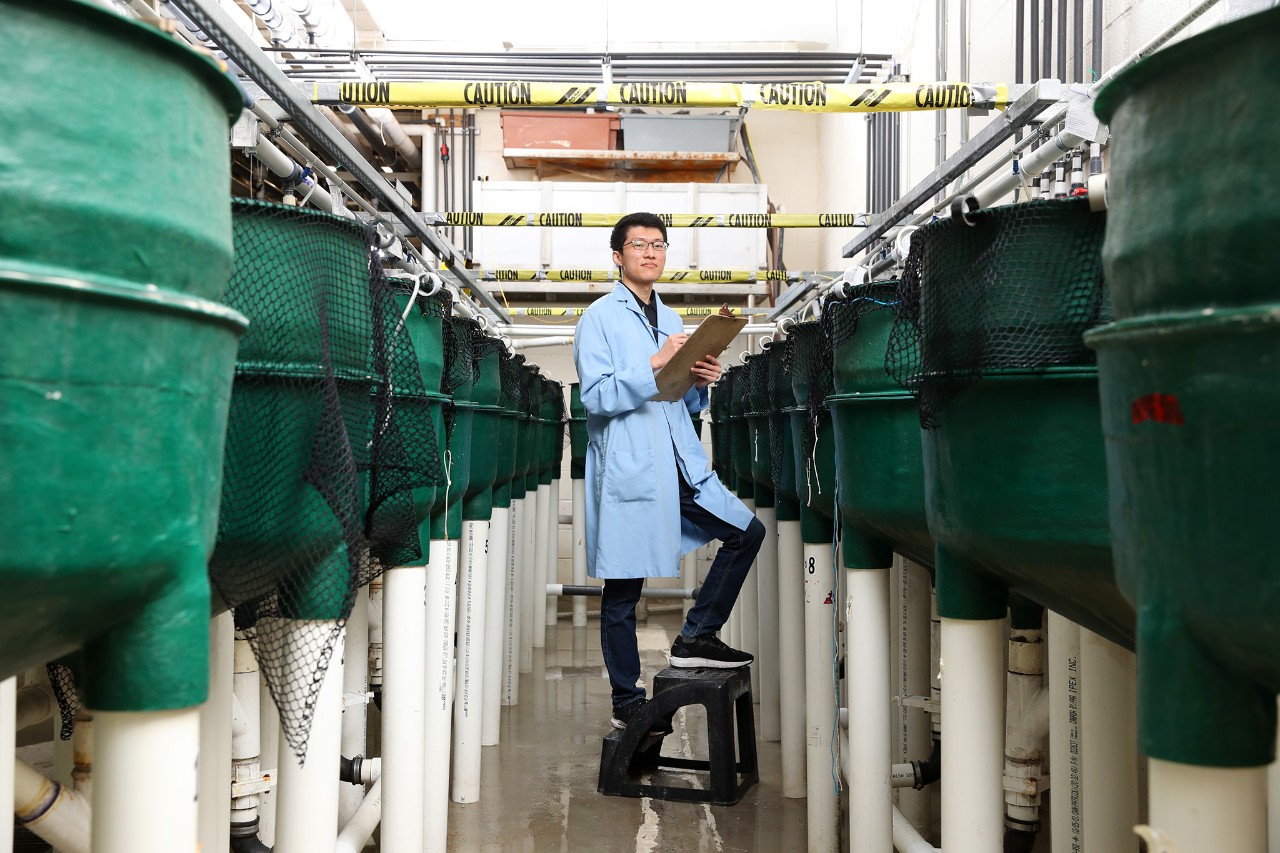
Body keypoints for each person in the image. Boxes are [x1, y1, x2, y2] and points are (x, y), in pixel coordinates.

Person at [573, 212, 766, 733]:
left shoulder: (675, 320)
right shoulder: (599, 319)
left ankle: (696, 635)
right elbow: (595, 396)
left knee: (746, 532)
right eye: (639, 245)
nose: (651, 253)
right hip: (633, 466)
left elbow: (680, 397)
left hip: (679, 460)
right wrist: (654, 364)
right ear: (618, 256)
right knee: (622, 590)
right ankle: (626, 698)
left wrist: (702, 379)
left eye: (659, 245)